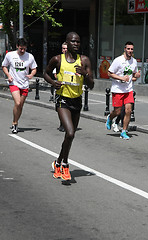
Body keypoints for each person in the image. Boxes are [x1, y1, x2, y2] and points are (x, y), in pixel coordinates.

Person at [44, 32, 94, 181]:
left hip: (76, 101)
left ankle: (57, 162)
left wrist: (85, 74)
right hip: (62, 100)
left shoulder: (84, 61)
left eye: (78, 42)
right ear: (66, 43)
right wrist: (53, 83)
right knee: (70, 132)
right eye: (73, 41)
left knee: (69, 137)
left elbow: (91, 85)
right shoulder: (57, 59)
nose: (76, 44)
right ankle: (65, 165)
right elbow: (46, 73)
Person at [2, 38, 37, 134]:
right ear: (17, 46)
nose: (22, 51)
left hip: (24, 83)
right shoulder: (10, 55)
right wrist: (8, 75)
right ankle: (15, 123)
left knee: (20, 105)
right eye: (21, 48)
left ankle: (15, 121)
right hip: (14, 82)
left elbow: (34, 68)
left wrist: (31, 75)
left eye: (24, 49)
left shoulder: (30, 56)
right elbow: (4, 66)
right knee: (17, 103)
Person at [106, 41, 140, 140]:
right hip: (118, 89)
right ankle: (110, 118)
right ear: (125, 49)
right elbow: (109, 73)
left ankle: (124, 131)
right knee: (117, 111)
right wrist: (121, 78)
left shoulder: (134, 61)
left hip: (128, 90)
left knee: (128, 110)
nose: (130, 51)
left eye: (131, 49)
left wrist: (136, 76)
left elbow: (133, 75)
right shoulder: (118, 60)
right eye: (128, 49)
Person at [52, 42, 68, 132]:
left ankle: (65, 124)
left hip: (70, 89)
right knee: (59, 108)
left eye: (66, 48)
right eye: (63, 48)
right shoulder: (58, 60)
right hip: (60, 88)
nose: (65, 50)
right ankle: (62, 123)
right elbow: (54, 74)